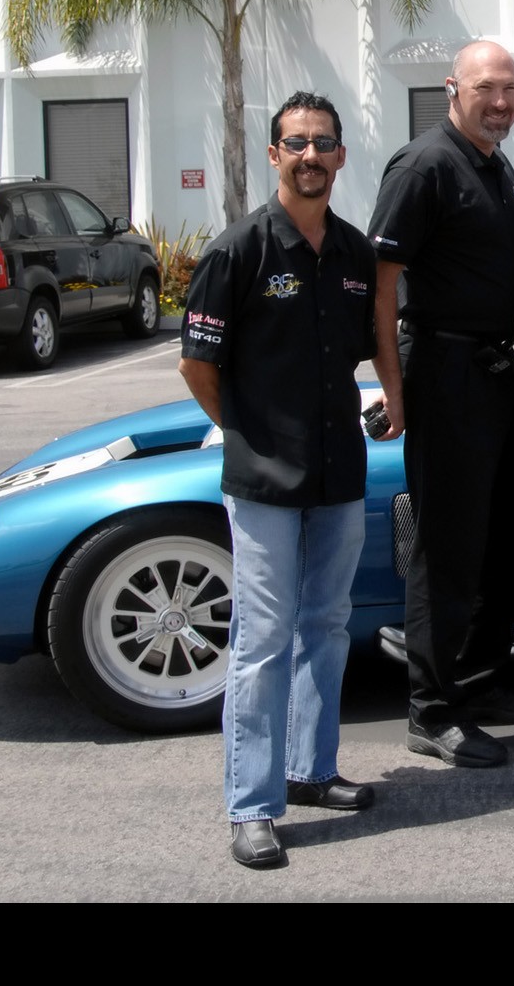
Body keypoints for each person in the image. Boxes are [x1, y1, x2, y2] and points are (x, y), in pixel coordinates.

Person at [178, 89, 379, 871]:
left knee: (326, 625)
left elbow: (364, 351)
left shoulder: (355, 254)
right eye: (295, 144)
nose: (309, 156)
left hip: (339, 473)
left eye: (323, 144)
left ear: (339, 156)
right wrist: (248, 431)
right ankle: (251, 806)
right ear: (274, 156)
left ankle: (310, 769)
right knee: (261, 641)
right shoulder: (239, 251)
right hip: (263, 480)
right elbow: (198, 363)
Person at [368, 41, 514, 768]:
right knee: (448, 546)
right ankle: (431, 710)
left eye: (509, 89)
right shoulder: (424, 165)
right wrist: (393, 387)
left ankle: (481, 681)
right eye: (486, 88)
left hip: (495, 370)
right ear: (452, 89)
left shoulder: (496, 166)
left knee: (504, 539)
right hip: (442, 369)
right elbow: (380, 284)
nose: (500, 102)